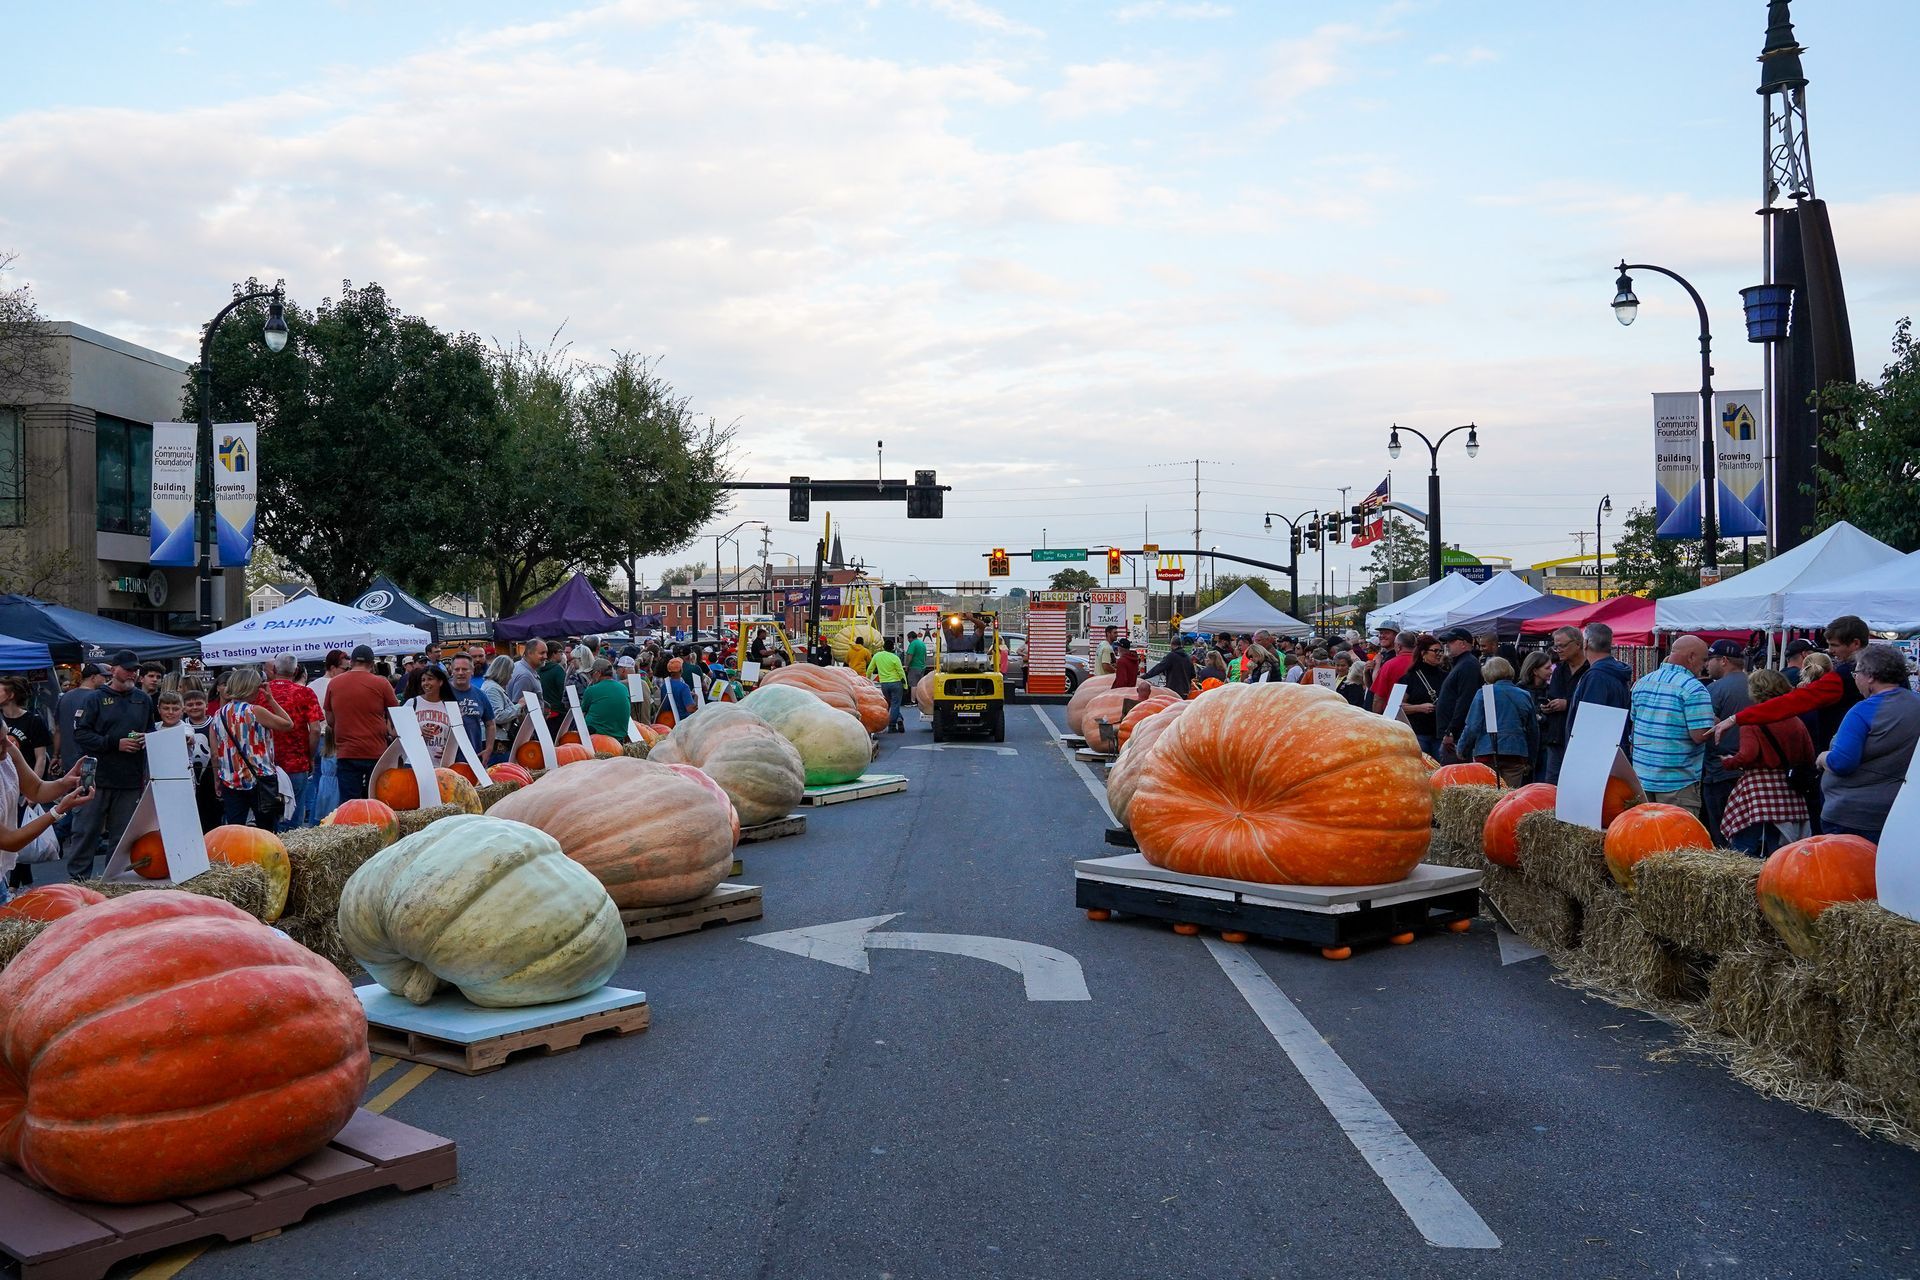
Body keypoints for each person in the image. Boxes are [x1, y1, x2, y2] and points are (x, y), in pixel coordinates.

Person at [1716, 615, 1871, 753]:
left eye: (1834, 645)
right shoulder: (1879, 667)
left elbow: (1792, 702)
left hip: (1844, 753)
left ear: (1855, 643)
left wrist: (1736, 718)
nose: (1830, 650)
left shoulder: (1841, 677)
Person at [64, 650, 156, 881]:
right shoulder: (94, 699)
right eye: (127, 669)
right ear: (113, 670)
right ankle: (78, 881)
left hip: (129, 777)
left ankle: (113, 881)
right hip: (94, 775)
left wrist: (148, 739)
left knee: (123, 835)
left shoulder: (143, 700)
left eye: (135, 670)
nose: (132, 674)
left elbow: (151, 731)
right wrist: (115, 743)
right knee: (85, 830)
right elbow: (81, 734)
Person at [1815, 644, 1920, 844]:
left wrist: (1822, 757)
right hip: (1899, 812)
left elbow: (1843, 762)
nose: (1856, 679)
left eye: (1857, 673)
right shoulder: (1916, 704)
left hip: (1853, 816)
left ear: (1870, 675)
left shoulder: (1862, 711)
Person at [1717, 668, 1814, 857]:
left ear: (1756, 690)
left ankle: (1745, 884)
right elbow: (1808, 755)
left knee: (1744, 845)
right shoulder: (1795, 720)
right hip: (1788, 788)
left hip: (1757, 787)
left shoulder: (1753, 719)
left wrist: (1729, 762)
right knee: (1781, 848)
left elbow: (1747, 755)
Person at [0, 731, 93, 898]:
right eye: (0, 741)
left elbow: (37, 789)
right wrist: (57, 811)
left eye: (5, 736)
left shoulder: (8, 750)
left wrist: (65, 782)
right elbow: (8, 841)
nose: (7, 744)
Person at [1629, 635, 1714, 815]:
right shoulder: (1694, 689)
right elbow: (1699, 735)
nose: (1705, 665)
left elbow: (1634, 726)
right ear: (1691, 657)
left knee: (1645, 838)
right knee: (1676, 839)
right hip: (1677, 782)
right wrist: (1715, 723)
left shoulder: (1643, 682)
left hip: (1642, 778)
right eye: (1704, 659)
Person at [209, 667, 294, 828]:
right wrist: (270, 699)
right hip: (260, 778)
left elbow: (215, 753)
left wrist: (216, 779)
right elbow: (288, 724)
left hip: (230, 779)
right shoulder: (255, 711)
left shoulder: (218, 715)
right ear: (251, 687)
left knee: (235, 829)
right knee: (266, 829)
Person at [326, 645, 398, 803]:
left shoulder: (334, 683)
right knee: (376, 800)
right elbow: (397, 715)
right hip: (376, 751)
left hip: (347, 751)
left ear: (351, 662)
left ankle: (352, 826)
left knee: (349, 802)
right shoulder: (382, 683)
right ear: (372, 664)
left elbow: (330, 719)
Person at [1700, 640, 1752, 844]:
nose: (1706, 665)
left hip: (1719, 771)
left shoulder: (1715, 690)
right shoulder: (1756, 684)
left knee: (1720, 834)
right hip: (1749, 772)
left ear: (1723, 661)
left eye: (1709, 659)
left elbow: (1702, 731)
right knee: (1744, 834)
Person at [1458, 656, 1538, 787]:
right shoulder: (1524, 695)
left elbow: (1472, 726)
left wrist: (1462, 749)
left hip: (1487, 751)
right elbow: (1533, 731)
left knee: (1488, 796)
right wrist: (1531, 760)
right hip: (1515, 752)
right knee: (1509, 797)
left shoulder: (1484, 693)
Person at [263, 655, 323, 830]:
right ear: (296, 671)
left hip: (266, 762)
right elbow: (316, 729)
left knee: (268, 816)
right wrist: (310, 756)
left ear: (274, 670)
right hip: (296, 761)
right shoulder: (305, 693)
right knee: (293, 818)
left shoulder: (261, 694)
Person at [1565, 622, 1633, 747]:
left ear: (1586, 643)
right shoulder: (1613, 672)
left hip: (1597, 752)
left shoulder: (1597, 676)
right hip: (1611, 747)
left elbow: (1590, 722)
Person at [1537, 627, 1586, 783]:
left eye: (1562, 646)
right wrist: (1547, 706)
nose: (1558, 650)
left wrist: (1568, 704)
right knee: (1552, 784)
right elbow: (1553, 695)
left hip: (1579, 738)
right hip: (1557, 737)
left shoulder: (1591, 670)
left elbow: (1594, 704)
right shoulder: (1558, 670)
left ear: (1578, 644)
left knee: (1576, 782)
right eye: (1556, 646)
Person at [1434, 629, 1483, 764]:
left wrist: (1451, 731)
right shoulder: (1461, 664)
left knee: (1454, 776)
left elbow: (1465, 701)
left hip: (1458, 736)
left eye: (1451, 641)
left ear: (1463, 643)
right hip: (1454, 734)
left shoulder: (1468, 665)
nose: (1447, 645)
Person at [1397, 634, 1447, 757]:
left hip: (1440, 734)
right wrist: (1419, 708)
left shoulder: (1446, 676)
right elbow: (1396, 707)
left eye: (1441, 650)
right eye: (1435, 651)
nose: (1439, 654)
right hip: (1419, 733)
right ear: (1423, 653)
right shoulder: (1408, 678)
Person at [182, 687, 223, 831]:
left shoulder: (216, 723)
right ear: (184, 707)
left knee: (212, 815)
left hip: (211, 777)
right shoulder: (181, 725)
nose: (195, 707)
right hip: (188, 779)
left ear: (206, 705)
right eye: (190, 705)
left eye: (198, 703)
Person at [53, 663, 105, 775]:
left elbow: (58, 730)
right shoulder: (97, 698)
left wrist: (55, 755)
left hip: (68, 763)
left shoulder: (64, 697)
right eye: (104, 677)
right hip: (91, 762)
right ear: (93, 677)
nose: (106, 680)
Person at [449, 655, 498, 762]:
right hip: (447, 758)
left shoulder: (480, 695)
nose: (461, 672)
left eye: (465, 669)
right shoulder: (442, 693)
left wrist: (489, 748)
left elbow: (490, 724)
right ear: (451, 671)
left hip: (473, 757)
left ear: (472, 671)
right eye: (457, 669)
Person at [0, 676, 51, 779]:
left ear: (11, 695)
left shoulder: (34, 721)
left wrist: (34, 788)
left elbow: (41, 758)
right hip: (5, 783)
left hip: (25, 783)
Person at [401, 663, 458, 755]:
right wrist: (416, 731)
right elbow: (397, 730)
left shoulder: (450, 706)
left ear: (440, 682)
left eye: (430, 679)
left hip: (440, 764)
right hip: (413, 761)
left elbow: (456, 738)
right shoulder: (412, 703)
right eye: (423, 680)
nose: (425, 683)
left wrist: (448, 752)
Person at [868, 637, 909, 733]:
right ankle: (892, 725)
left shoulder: (877, 656)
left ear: (883, 647)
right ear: (893, 648)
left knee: (893, 704)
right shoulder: (895, 658)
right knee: (895, 704)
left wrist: (867, 680)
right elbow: (901, 673)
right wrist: (905, 686)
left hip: (884, 685)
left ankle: (899, 719)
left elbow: (870, 669)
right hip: (896, 684)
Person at [1371, 631, 1418, 712]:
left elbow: (1378, 698)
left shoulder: (1389, 665)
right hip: (1422, 715)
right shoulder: (1423, 663)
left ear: (1398, 646)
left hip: (1393, 715)